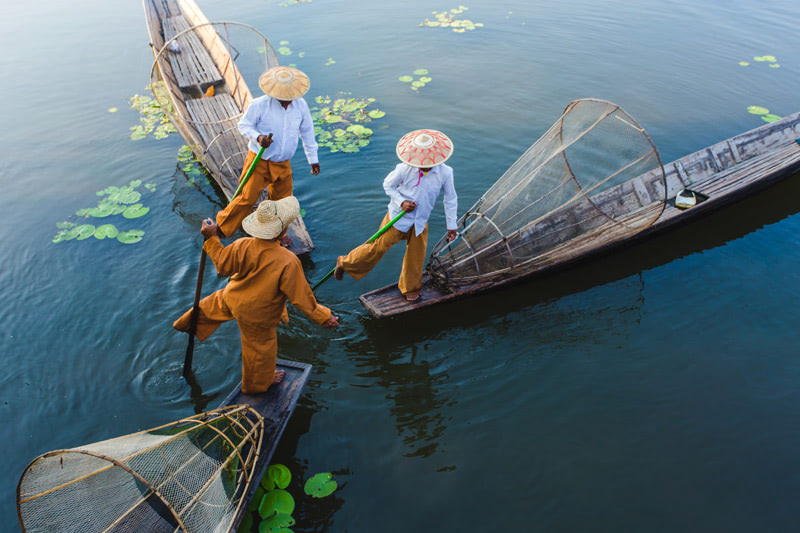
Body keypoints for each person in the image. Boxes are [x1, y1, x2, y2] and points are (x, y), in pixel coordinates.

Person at [175, 196, 338, 394]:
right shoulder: (288, 261)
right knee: (260, 349)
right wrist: (323, 316)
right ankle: (258, 383)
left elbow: (222, 266)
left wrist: (211, 238)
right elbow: (302, 298)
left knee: (214, 305)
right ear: (283, 231)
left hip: (232, 297)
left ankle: (187, 324)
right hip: (257, 314)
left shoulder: (242, 244)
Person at [334, 129, 458, 302]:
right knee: (377, 248)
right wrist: (402, 202)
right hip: (397, 218)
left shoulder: (445, 172)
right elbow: (388, 185)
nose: (424, 164)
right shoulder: (404, 168)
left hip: (420, 221)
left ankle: (410, 288)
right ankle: (345, 263)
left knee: (416, 257)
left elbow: (450, 199)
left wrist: (451, 225)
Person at [215, 66, 320, 244]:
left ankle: (277, 234)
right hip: (260, 161)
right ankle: (221, 228)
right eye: (283, 96)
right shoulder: (259, 105)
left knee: (282, 202)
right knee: (247, 197)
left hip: (283, 163)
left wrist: (313, 160)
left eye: (290, 96)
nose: (287, 100)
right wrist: (258, 137)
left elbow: (307, 132)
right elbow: (244, 125)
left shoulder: (301, 105)